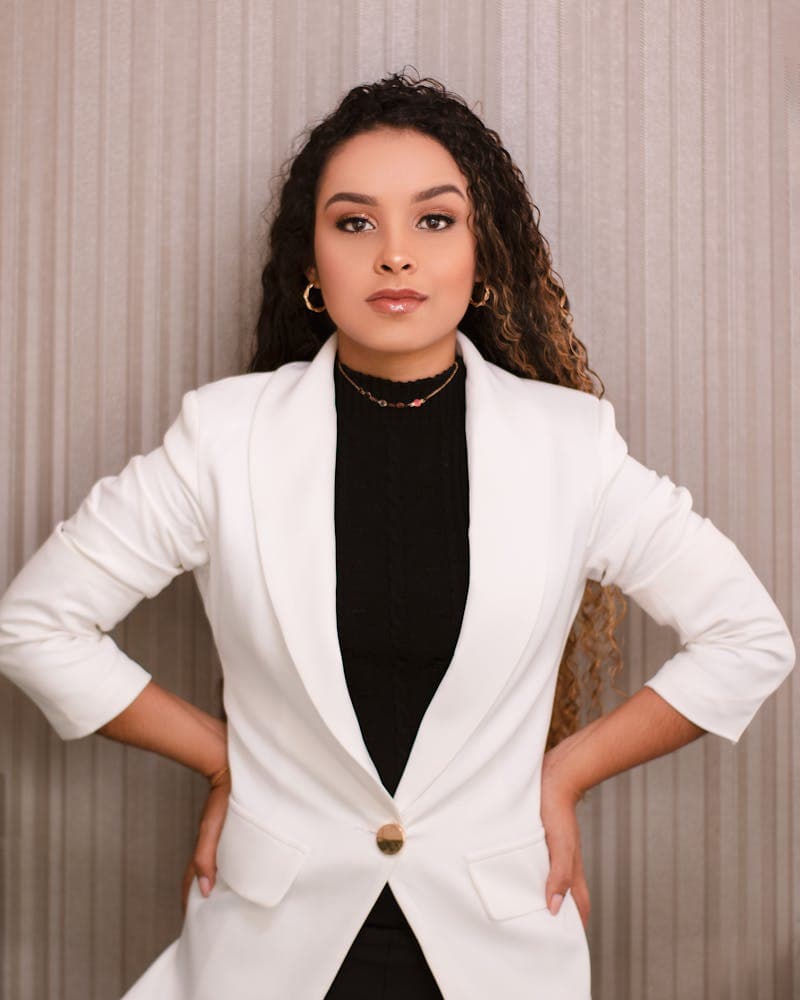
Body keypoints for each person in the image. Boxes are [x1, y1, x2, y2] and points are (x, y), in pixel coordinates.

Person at [0, 69, 794, 1000]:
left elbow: (749, 638)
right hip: (267, 949)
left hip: (497, 948)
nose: (394, 256)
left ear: (481, 254)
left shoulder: (568, 443)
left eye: (433, 220)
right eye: (353, 222)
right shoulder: (223, 437)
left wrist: (566, 773)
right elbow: (38, 624)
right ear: (311, 263)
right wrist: (227, 760)